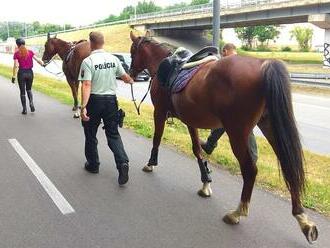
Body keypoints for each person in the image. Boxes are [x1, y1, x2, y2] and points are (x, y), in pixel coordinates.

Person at [79, 32, 134, 185]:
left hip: (94, 101)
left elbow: (87, 84)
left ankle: (93, 165)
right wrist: (130, 80)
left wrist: (83, 107)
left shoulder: (88, 61)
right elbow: (125, 77)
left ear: (91, 43)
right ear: (102, 43)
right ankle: (122, 163)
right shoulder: (113, 59)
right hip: (111, 101)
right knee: (113, 134)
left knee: (90, 134)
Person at [200, 43, 258, 163]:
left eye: (222, 53)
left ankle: (252, 158)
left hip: (236, 102)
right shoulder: (243, 61)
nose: (222, 56)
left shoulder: (228, 63)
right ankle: (210, 145)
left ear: (225, 51)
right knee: (222, 122)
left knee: (245, 128)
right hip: (241, 101)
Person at [12, 38, 44, 114]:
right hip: (30, 73)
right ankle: (31, 103)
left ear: (17, 45)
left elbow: (16, 65)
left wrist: (13, 76)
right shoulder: (30, 52)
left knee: (22, 92)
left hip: (21, 73)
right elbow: (38, 60)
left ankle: (24, 109)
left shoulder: (16, 53)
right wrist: (42, 63)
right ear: (24, 44)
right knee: (29, 89)